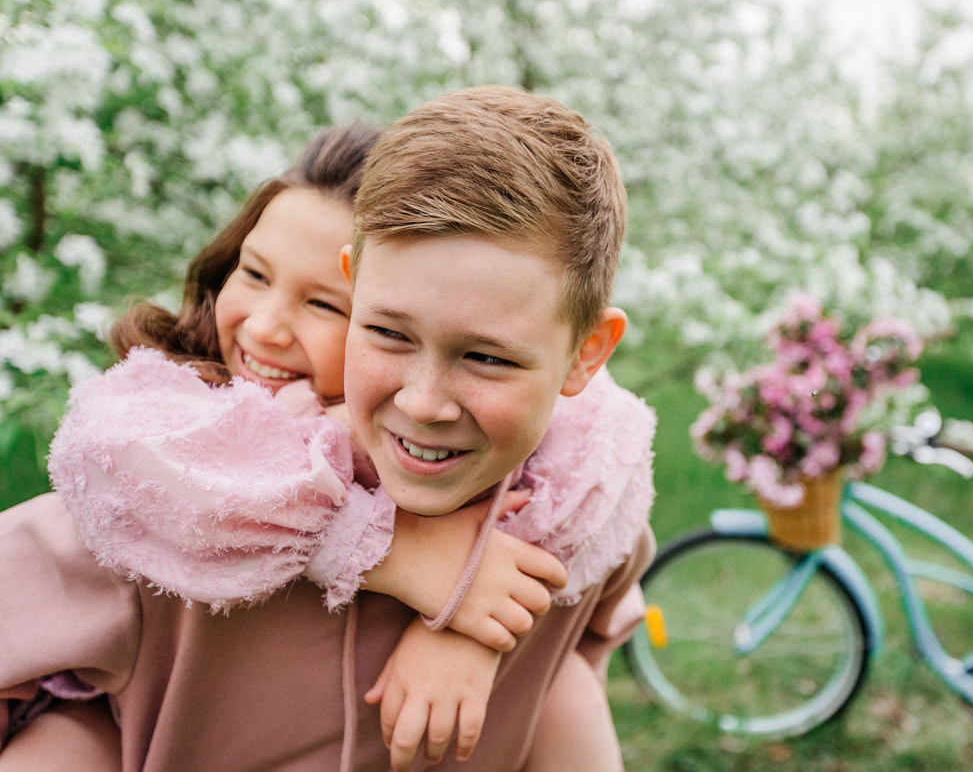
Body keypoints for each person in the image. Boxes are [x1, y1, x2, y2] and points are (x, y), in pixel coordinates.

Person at [0, 86, 655, 771]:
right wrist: (379, 545)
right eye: (387, 333)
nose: (426, 402)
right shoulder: (165, 517)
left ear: (588, 355)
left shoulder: (586, 511)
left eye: (486, 357)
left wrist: (478, 630)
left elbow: (579, 646)